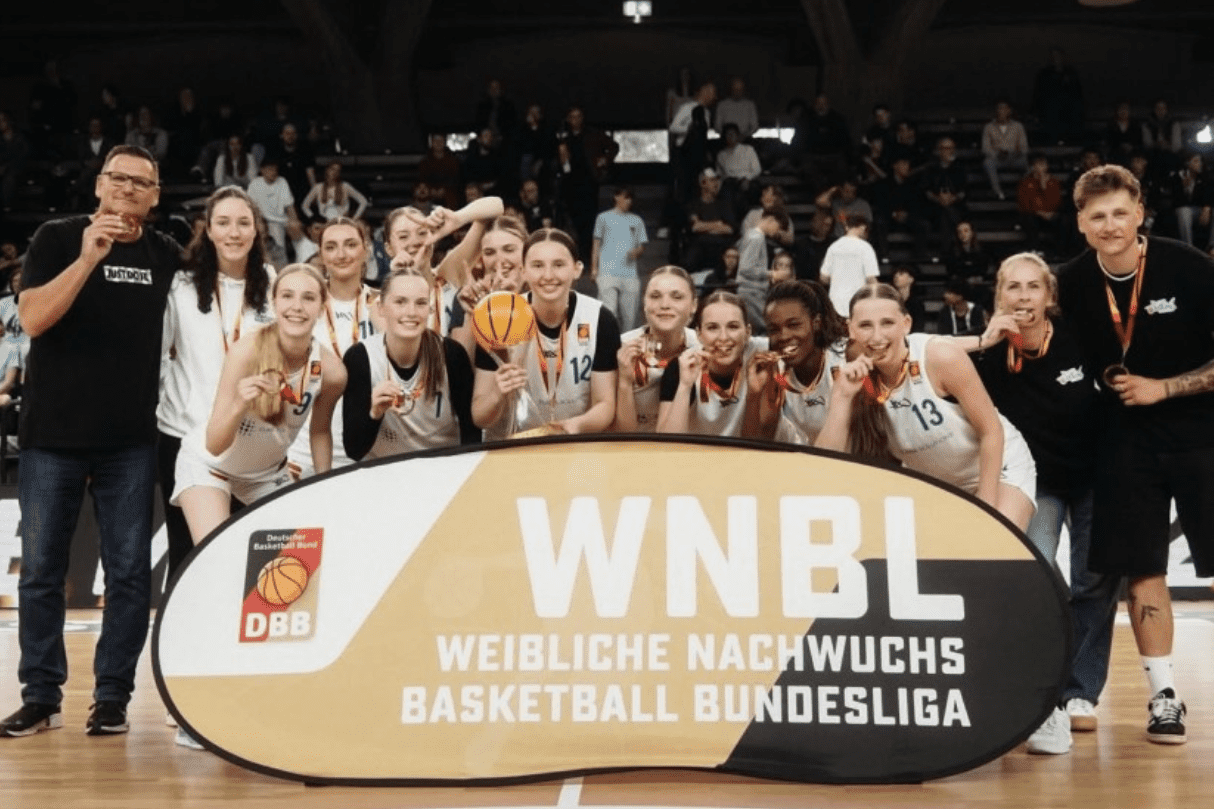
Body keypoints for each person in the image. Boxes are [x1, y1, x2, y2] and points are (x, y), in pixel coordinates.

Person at [1, 145, 179, 738]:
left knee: (128, 574)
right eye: (118, 178)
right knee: (42, 572)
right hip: (52, 435)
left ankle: (112, 698)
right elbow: (31, 319)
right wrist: (87, 259)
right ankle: (41, 696)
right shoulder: (57, 237)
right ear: (99, 185)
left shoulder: (167, 257)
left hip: (129, 439)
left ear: (155, 196)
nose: (128, 189)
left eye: (142, 182)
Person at [1057, 164, 1214, 745]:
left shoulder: (1190, 267)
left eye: (1120, 212)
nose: (1111, 224)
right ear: (1080, 222)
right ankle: (1164, 697)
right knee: (1144, 568)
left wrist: (1165, 387)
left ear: (1141, 212)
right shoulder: (1070, 282)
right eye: (1097, 215)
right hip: (1123, 440)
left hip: (1201, 433)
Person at [961, 252, 1118, 755]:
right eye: (1013, 287)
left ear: (1050, 296)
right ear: (999, 296)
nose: (1023, 297)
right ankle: (1040, 691)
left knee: (1093, 581)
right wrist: (986, 340)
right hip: (1035, 482)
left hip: (1094, 475)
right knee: (1038, 575)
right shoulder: (985, 356)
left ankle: (1080, 693)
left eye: (1033, 287)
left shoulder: (1081, 338)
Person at [816, 283, 1036, 529]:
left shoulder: (940, 357)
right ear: (851, 329)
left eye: (887, 323)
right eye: (866, 325)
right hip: (938, 481)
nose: (877, 336)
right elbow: (826, 464)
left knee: (996, 548)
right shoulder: (854, 375)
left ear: (906, 324)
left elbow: (991, 431)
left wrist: (984, 510)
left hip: (998, 468)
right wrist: (842, 398)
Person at [158, 186, 276, 596]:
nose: (234, 232)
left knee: (249, 560)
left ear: (257, 229)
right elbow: (159, 359)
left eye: (244, 222)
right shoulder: (181, 286)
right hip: (186, 437)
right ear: (207, 230)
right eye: (223, 222)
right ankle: (179, 655)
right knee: (189, 557)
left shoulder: (274, 285)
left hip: (252, 441)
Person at [172, 263, 344, 543]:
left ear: (323, 307)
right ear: (274, 302)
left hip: (267, 475)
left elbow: (320, 431)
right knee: (217, 555)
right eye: (287, 296)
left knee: (300, 559)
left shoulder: (333, 371)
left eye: (309, 298)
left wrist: (324, 486)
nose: (297, 306)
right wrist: (240, 403)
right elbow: (214, 443)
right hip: (210, 465)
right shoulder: (247, 351)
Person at [472, 228, 620, 440]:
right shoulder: (498, 317)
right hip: (511, 447)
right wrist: (497, 393)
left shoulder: (599, 319)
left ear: (577, 269)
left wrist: (576, 425)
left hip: (573, 442)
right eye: (538, 265)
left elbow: (605, 404)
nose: (548, 276)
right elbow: (480, 417)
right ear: (523, 271)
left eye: (558, 265)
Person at [284, 218, 384, 480]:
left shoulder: (386, 305)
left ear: (366, 249)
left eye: (350, 244)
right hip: (304, 452)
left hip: (373, 451)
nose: (341, 254)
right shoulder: (301, 308)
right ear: (321, 255)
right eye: (331, 247)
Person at [342, 270, 479, 459]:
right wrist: (374, 413)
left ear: (430, 309)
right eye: (400, 302)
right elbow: (354, 450)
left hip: (441, 469)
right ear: (381, 308)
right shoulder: (360, 358)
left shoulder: (451, 354)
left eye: (421, 303)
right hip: (385, 472)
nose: (411, 312)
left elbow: (472, 432)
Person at [743, 280, 848, 445]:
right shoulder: (776, 371)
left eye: (794, 325)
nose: (784, 336)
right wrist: (753, 395)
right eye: (774, 329)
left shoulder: (843, 362)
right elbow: (756, 444)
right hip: (809, 464)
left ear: (816, 323)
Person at [656, 290, 767, 437]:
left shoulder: (761, 353)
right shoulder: (682, 366)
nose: (723, 337)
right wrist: (685, 385)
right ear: (699, 335)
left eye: (733, 326)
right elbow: (666, 445)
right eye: (712, 327)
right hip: (697, 457)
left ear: (747, 333)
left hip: (746, 456)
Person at [613, 266, 699, 432]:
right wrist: (625, 381)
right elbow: (624, 436)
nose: (665, 305)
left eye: (677, 297)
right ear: (644, 303)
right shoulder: (621, 349)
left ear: (694, 305)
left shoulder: (703, 348)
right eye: (655, 296)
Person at [592, 187, 647, 332]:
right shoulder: (603, 218)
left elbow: (642, 245)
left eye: (630, 198)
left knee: (630, 318)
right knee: (608, 313)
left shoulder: (637, 220)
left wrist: (637, 251)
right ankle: (609, 346)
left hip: (630, 273)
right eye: (625, 197)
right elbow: (596, 244)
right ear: (617, 197)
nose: (628, 201)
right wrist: (594, 268)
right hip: (607, 271)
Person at [736, 208, 792, 333]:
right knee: (767, 329)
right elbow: (746, 268)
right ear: (771, 220)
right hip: (751, 292)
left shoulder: (752, 235)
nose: (777, 232)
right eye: (778, 227)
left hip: (752, 292)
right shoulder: (756, 238)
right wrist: (773, 273)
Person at [819, 214, 879, 317]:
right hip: (858, 304)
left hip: (835, 304)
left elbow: (823, 278)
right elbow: (871, 279)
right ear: (863, 227)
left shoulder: (834, 247)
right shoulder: (865, 247)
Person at [245, 159, 296, 268]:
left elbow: (289, 206)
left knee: (294, 230)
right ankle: (275, 267)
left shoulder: (282, 181)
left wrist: (295, 222)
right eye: (270, 169)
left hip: (281, 220)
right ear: (262, 170)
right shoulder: (255, 184)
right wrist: (259, 221)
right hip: (262, 220)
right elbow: (250, 207)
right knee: (271, 234)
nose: (273, 172)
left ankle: (293, 264)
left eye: (275, 169)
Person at [981, 99, 1029, 201]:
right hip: (997, 158)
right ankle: (998, 192)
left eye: (1004, 108)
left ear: (1009, 111)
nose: (1001, 111)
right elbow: (985, 148)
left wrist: (1016, 152)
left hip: (1015, 158)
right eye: (999, 108)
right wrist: (997, 154)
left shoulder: (1018, 126)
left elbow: (1024, 147)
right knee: (987, 162)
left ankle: (1024, 192)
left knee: (1029, 164)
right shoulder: (988, 127)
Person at [301, 162, 369, 222]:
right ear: (327, 170)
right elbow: (305, 205)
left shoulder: (345, 186)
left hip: (341, 222)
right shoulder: (318, 187)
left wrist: (354, 219)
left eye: (338, 170)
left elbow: (363, 201)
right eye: (332, 169)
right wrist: (314, 218)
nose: (334, 172)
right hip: (325, 223)